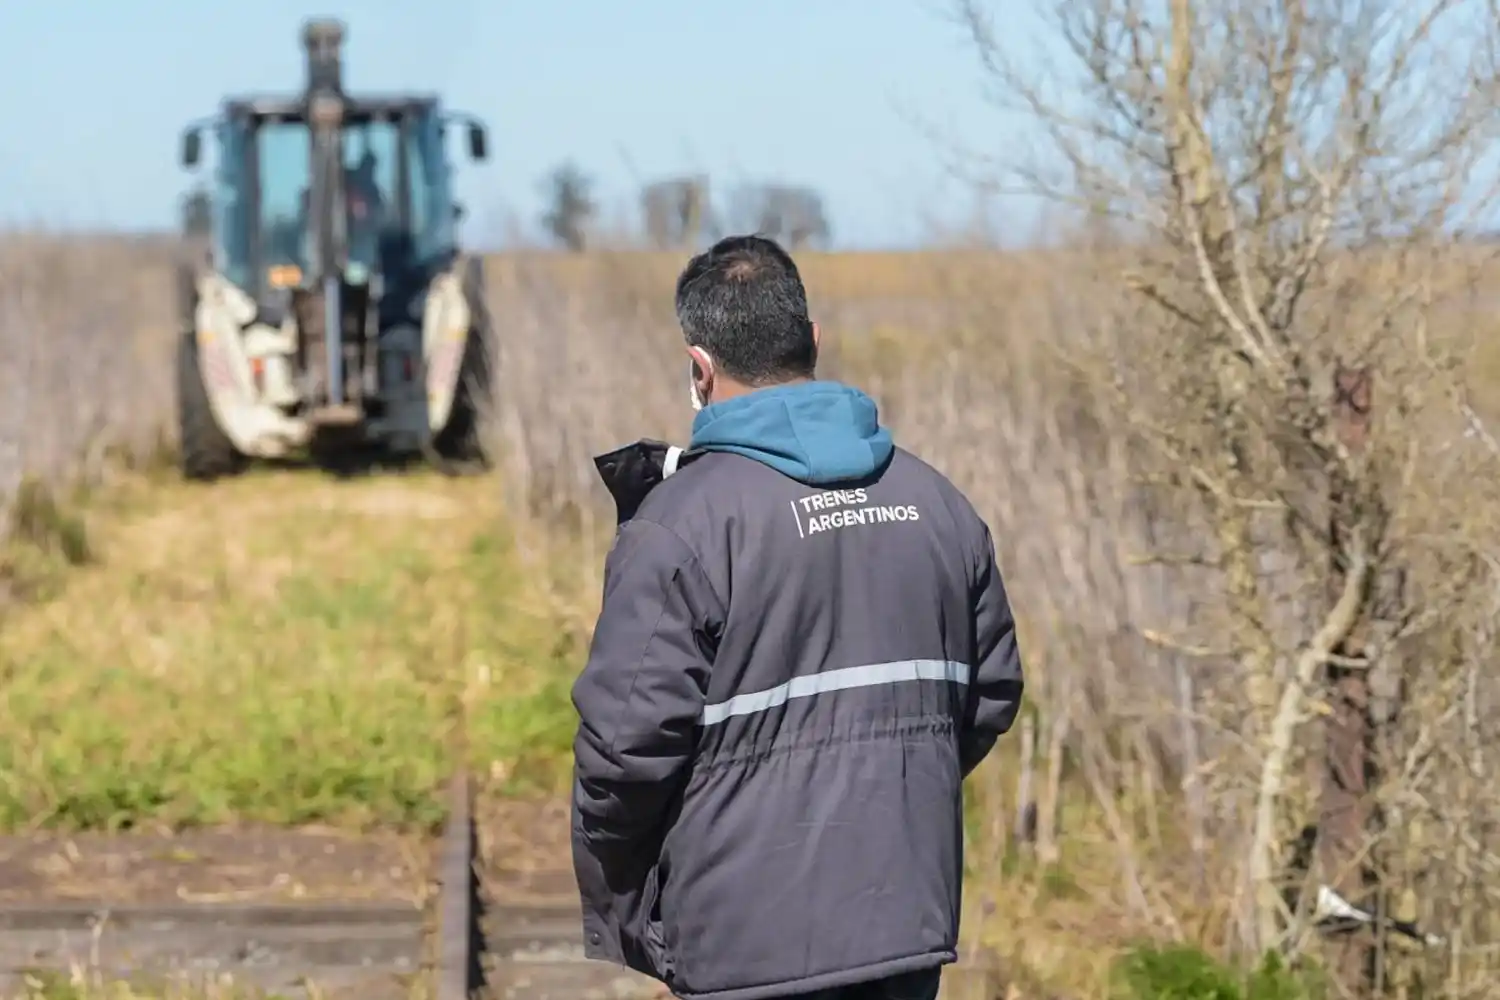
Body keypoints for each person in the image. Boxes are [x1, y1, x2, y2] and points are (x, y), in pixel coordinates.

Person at [571, 235, 1024, 1000]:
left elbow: (623, 757)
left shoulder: (679, 526)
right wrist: (889, 797)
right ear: (813, 342)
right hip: (902, 932)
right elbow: (988, 698)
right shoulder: (941, 505)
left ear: (700, 367)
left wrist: (638, 902)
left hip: (739, 942)